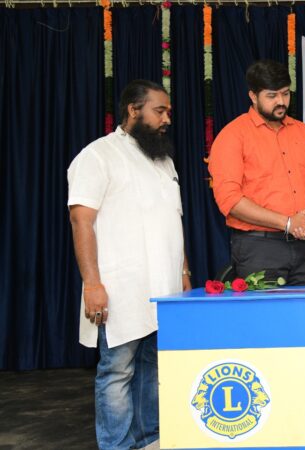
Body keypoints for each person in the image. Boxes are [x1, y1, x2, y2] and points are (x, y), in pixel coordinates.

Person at [68, 79, 191, 450]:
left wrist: (184, 272)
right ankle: (117, 445)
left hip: (164, 289)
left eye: (168, 111)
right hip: (120, 288)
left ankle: (150, 439)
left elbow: (173, 221)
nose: (167, 118)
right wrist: (92, 284)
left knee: (154, 366)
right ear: (134, 110)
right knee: (118, 370)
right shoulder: (97, 155)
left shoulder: (163, 161)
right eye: (159, 111)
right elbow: (81, 221)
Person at [209, 59, 305, 285]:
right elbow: (230, 200)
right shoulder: (233, 136)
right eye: (272, 96)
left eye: (285, 94)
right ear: (253, 96)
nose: (281, 102)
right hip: (259, 247)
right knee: (266, 310)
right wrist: (288, 223)